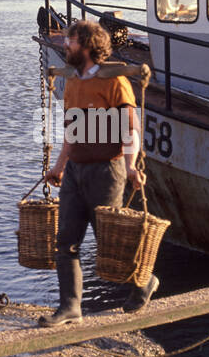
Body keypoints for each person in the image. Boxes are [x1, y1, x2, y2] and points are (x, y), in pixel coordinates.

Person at [39, 20, 155, 327]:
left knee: (109, 242)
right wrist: (59, 166)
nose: (66, 45)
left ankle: (144, 282)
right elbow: (72, 132)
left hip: (107, 170)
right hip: (76, 172)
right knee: (66, 241)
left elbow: (131, 128)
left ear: (89, 46)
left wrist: (131, 166)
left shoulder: (114, 82)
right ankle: (70, 307)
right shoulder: (74, 82)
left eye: (71, 41)